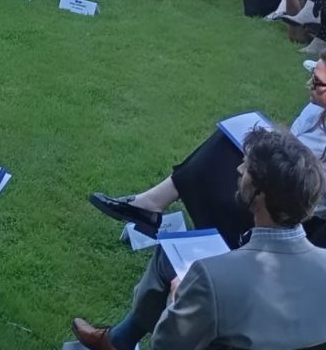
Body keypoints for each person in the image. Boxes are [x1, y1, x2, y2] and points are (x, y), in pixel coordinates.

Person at [72, 128, 326, 350]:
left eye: (246, 168)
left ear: (260, 193)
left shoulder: (210, 278)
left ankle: (118, 341)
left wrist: (175, 303)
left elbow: (165, 345)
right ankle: (118, 340)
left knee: (174, 261)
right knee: (169, 254)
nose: (238, 169)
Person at [88, 50, 326, 250]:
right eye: (312, 75)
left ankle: (167, 217)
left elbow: (308, 194)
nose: (309, 84)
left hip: (292, 211)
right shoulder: (314, 109)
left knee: (233, 163)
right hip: (279, 180)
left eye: (317, 82)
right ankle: (152, 203)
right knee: (228, 139)